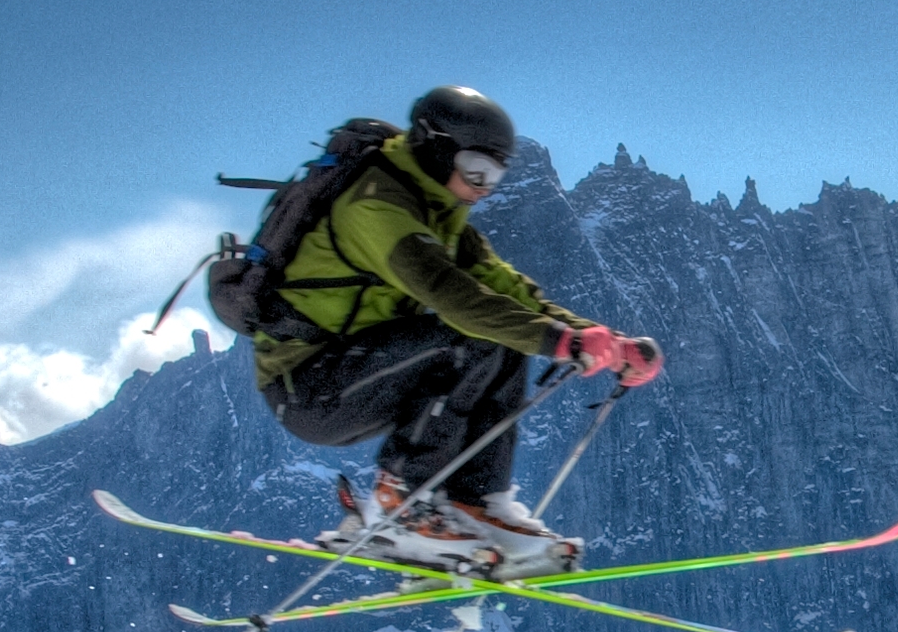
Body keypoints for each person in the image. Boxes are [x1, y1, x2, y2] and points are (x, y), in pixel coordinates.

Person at [252, 86, 661, 573]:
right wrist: (565, 343)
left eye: (496, 175)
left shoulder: (442, 215)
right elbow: (453, 296)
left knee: (506, 334)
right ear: (436, 146)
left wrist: (601, 340)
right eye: (477, 171)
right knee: (471, 332)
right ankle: (399, 504)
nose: (484, 188)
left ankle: (477, 503)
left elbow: (509, 291)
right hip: (309, 387)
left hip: (364, 370)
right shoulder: (376, 207)